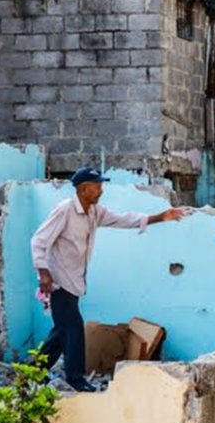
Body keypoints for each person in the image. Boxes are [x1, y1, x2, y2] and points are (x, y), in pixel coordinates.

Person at [30, 167, 185, 391]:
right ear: (83, 189)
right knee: (73, 328)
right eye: (97, 186)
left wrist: (160, 217)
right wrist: (43, 273)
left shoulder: (94, 211)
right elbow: (38, 240)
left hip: (75, 281)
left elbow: (123, 219)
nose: (101, 190)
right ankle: (76, 378)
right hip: (58, 280)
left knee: (61, 330)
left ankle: (34, 371)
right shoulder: (65, 210)